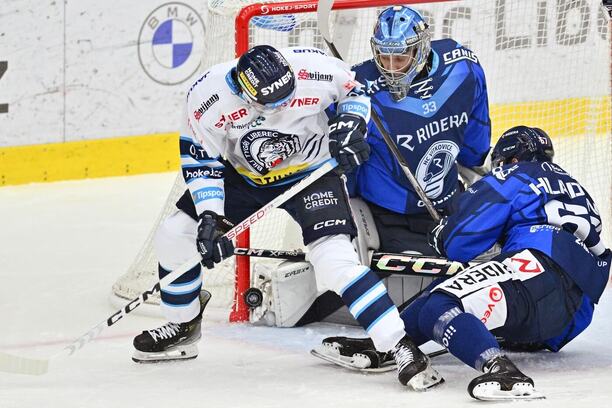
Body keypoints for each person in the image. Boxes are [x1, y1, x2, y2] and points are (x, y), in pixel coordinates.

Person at [130, 44, 443, 390]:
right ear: (242, 92)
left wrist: (351, 125)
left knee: (334, 260)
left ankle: (398, 345)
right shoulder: (207, 97)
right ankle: (183, 325)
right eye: (271, 104)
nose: (282, 108)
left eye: (287, 97)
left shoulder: (314, 68)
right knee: (176, 235)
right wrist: (211, 215)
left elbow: (356, 91)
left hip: (312, 173)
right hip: (244, 177)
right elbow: (202, 162)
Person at [316, 125, 611, 400]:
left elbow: (459, 242)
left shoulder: (516, 175)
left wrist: (441, 234)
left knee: (440, 306)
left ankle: (502, 371)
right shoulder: (573, 186)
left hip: (536, 271)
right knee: (443, 292)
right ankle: (392, 345)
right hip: (570, 313)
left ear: (509, 158)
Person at [295, 5, 491, 325]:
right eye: (383, 57)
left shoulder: (463, 67)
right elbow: (319, 146)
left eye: (400, 57)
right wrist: (341, 146)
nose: (390, 68)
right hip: (389, 218)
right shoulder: (357, 86)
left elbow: (476, 133)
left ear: (422, 48)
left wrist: (476, 163)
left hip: (449, 204)